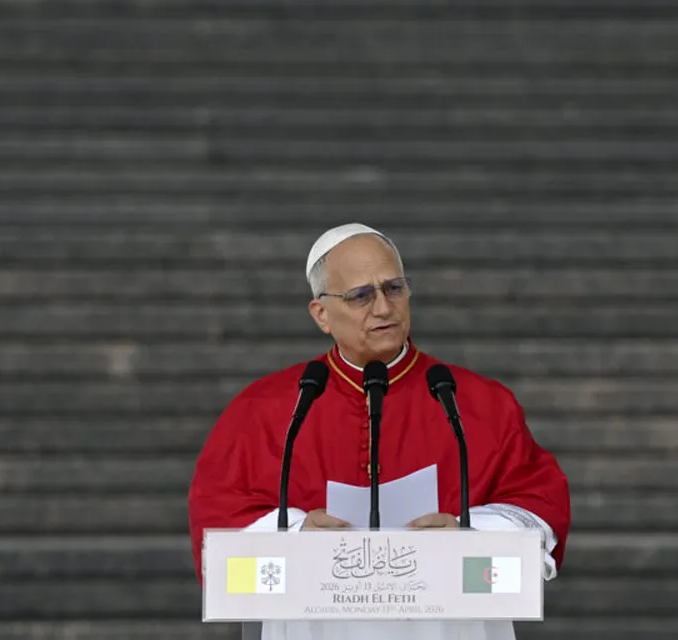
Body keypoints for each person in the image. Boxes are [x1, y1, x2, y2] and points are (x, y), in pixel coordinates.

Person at [187, 223, 571, 640]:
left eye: (394, 289)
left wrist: (468, 533)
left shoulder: (478, 402)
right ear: (321, 314)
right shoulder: (266, 409)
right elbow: (218, 527)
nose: (384, 308)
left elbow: (540, 507)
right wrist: (295, 536)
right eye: (360, 296)